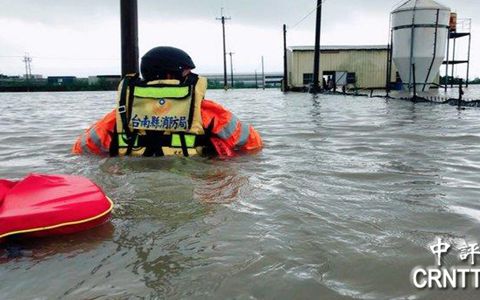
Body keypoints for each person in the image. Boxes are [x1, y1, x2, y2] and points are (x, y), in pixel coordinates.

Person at [72, 47, 263, 157]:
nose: (191, 76)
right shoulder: (205, 111)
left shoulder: (122, 113)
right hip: (190, 181)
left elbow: (81, 149)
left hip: (135, 183)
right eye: (187, 73)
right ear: (171, 74)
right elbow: (252, 143)